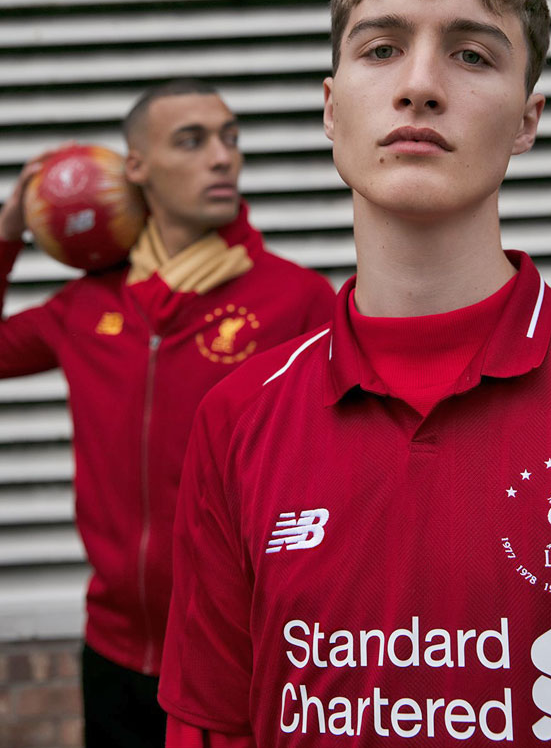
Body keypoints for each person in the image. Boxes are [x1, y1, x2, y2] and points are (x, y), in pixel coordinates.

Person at [158, 0, 551, 747]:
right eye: (381, 48)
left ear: (527, 120)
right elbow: (212, 726)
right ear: (332, 109)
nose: (421, 85)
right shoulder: (237, 417)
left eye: (472, 54)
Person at [0, 78, 335, 748]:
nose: (223, 157)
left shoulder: (296, 301)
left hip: (237, 654)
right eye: (192, 141)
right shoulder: (85, 307)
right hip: (113, 650)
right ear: (136, 167)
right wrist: (9, 232)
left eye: (230, 138)